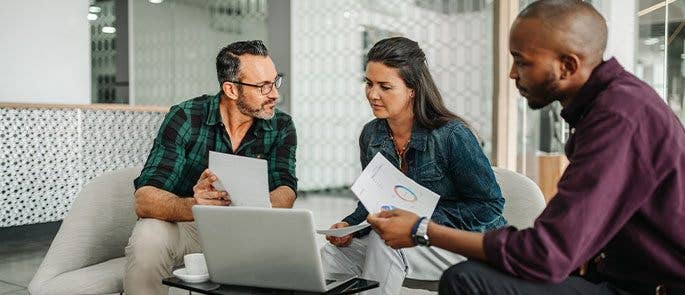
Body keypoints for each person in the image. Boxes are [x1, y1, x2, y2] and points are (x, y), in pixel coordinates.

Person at [367, 1, 685, 294]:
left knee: (466, 280)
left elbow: (546, 253)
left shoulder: (619, 117)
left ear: (567, 66)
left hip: (649, 287)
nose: (512, 73)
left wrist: (423, 230)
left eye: (522, 62)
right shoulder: (609, 105)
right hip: (609, 271)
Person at [320, 37, 507, 295]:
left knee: (385, 243)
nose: (373, 94)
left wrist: (418, 223)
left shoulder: (451, 136)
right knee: (333, 254)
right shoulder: (371, 136)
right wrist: (348, 224)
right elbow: (372, 202)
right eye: (369, 83)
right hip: (414, 240)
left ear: (413, 89)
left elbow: (489, 206)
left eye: (385, 86)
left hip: (463, 244)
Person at [124, 40, 297, 295]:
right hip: (190, 225)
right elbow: (145, 200)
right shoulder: (185, 117)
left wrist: (259, 209)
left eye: (275, 81)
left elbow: (286, 187)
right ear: (231, 89)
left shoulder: (281, 126)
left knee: (292, 249)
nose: (275, 94)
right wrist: (195, 204)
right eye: (263, 86)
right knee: (148, 235)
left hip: (250, 228)